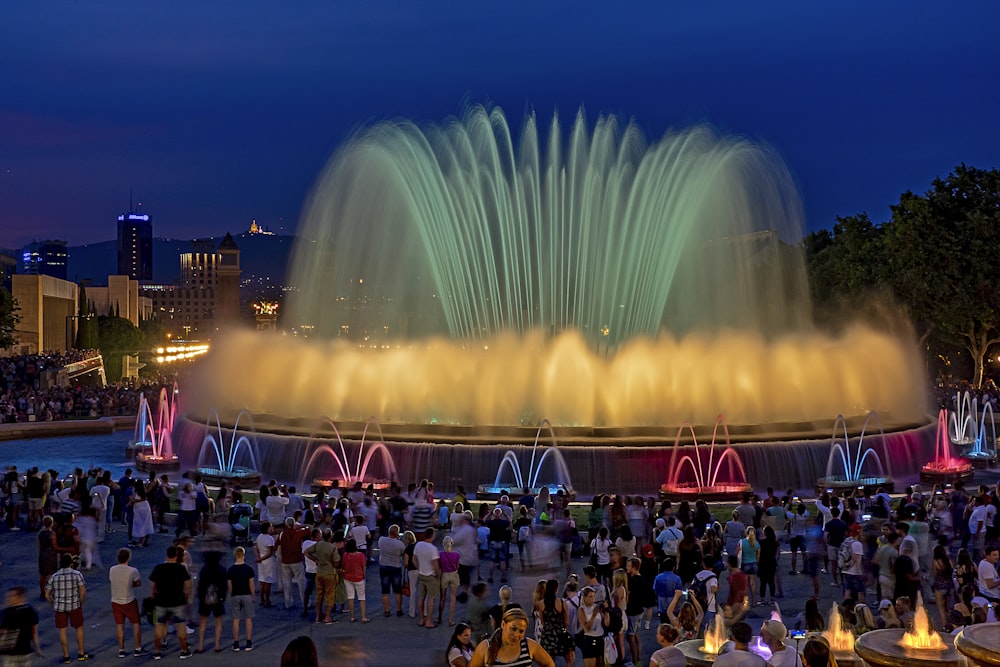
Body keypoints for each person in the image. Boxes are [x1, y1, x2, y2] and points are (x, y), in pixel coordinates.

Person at [469, 605, 555, 667]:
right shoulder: (485, 647)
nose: (516, 635)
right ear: (503, 624)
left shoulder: (529, 646)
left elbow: (549, 664)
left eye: (521, 631)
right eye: (513, 629)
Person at [45, 553, 92, 663]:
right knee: (79, 628)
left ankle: (66, 656)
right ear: (71, 563)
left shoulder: (54, 576)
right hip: (74, 605)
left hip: (60, 607)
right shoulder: (77, 574)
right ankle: (81, 653)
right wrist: (80, 602)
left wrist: (53, 603)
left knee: (63, 631)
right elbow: (83, 591)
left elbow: (47, 594)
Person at [149, 545, 193, 660]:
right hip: (177, 601)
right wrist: (185, 597)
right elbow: (188, 586)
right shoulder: (181, 568)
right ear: (176, 556)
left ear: (167, 555)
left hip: (161, 601)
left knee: (159, 626)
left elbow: (153, 585)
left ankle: (157, 651)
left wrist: (153, 595)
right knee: (181, 626)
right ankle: (183, 650)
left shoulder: (159, 568)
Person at [109, 547, 147, 658]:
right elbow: (138, 583)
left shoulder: (112, 569)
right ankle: (138, 648)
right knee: (136, 623)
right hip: (129, 600)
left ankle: (121, 649)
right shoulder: (133, 570)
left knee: (120, 625)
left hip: (116, 600)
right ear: (128, 558)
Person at [535, 579, 574, 667]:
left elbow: (542, 621)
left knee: (549, 662)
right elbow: (567, 621)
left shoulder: (541, 604)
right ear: (556, 589)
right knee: (569, 660)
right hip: (560, 634)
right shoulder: (562, 603)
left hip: (547, 635)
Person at [305, 529, 341, 625]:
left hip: (319, 572)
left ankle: (318, 616)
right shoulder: (332, 548)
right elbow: (337, 563)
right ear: (330, 536)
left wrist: (316, 560)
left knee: (319, 594)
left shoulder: (318, 544)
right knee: (330, 595)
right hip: (329, 572)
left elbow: (306, 552)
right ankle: (328, 617)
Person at [0, 586, 42, 666]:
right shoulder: (29, 611)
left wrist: (37, 647)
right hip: (12, 653)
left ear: (20, 597)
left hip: (21, 652)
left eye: (11, 596)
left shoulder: (28, 612)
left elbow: (34, 631)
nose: (8, 599)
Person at [196, 550, 228, 653]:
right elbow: (224, 586)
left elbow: (200, 585)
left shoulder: (204, 569)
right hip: (218, 598)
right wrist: (223, 597)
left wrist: (200, 596)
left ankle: (200, 645)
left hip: (205, 597)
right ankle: (217, 644)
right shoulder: (222, 570)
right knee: (218, 622)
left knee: (203, 622)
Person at [276, 517, 310, 611]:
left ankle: (288, 602)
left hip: (285, 561)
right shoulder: (297, 533)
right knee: (301, 582)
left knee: (287, 583)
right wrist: (301, 526)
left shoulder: (282, 534)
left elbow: (276, 545)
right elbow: (308, 530)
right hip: (296, 560)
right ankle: (305, 602)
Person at [227, 546, 256, 652]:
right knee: (248, 619)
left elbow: (229, 586)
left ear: (235, 555)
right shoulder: (249, 569)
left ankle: (236, 644)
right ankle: (249, 643)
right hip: (247, 594)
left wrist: (232, 594)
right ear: (244, 555)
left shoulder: (230, 570)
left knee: (236, 620)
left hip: (235, 595)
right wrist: (253, 596)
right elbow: (251, 585)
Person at [415, 527, 442, 628]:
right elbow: (435, 565)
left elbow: (414, 559)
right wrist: (437, 575)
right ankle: (429, 621)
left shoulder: (418, 545)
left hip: (421, 574)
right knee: (431, 598)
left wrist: (419, 568)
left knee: (421, 597)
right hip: (431, 575)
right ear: (432, 536)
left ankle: (421, 619)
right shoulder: (433, 549)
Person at [378, 523, 406, 617]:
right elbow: (403, 554)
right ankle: (398, 609)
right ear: (397, 533)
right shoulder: (400, 544)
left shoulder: (381, 540)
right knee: (397, 590)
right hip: (395, 567)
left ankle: (387, 610)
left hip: (384, 566)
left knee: (385, 590)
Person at [575, 587, 604, 667]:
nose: (593, 599)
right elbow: (586, 628)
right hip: (589, 640)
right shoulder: (582, 610)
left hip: (600, 639)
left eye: (594, 596)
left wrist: (606, 613)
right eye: (590, 597)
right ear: (585, 598)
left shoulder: (597, 607)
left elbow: (605, 624)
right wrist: (593, 615)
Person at [341, 538, 369, 623]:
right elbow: (364, 567)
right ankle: (363, 617)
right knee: (362, 597)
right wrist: (364, 576)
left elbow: (343, 566)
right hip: (359, 578)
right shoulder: (361, 555)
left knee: (350, 597)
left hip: (348, 578)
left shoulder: (345, 555)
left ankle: (352, 616)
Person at [440, 535, 462, 626]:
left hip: (444, 574)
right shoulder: (457, 554)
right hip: (454, 574)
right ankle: (451, 620)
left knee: (443, 598)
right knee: (453, 598)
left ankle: (440, 617)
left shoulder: (440, 554)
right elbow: (457, 567)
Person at [254, 521, 276, 608]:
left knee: (262, 580)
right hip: (268, 560)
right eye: (271, 527)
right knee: (268, 581)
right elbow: (269, 552)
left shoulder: (259, 537)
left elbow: (256, 548)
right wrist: (261, 558)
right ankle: (267, 600)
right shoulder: (270, 539)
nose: (272, 528)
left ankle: (262, 599)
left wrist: (258, 557)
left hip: (261, 560)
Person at [737, 527, 760, 606]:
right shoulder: (756, 543)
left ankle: (745, 602)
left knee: (745, 584)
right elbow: (758, 556)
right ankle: (754, 601)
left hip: (745, 563)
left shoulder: (742, 542)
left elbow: (737, 553)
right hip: (753, 564)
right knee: (752, 584)